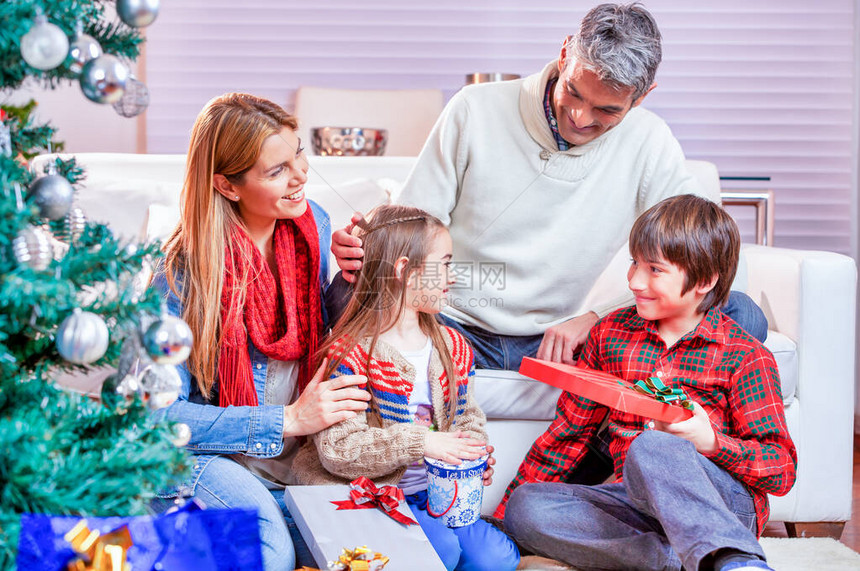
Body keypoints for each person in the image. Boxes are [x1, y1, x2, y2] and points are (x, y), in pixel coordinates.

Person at [331, 2, 767, 373]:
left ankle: (650, 434)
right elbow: (414, 220)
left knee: (739, 313)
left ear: (642, 96)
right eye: (574, 92)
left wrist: (594, 318)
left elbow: (708, 259)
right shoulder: (475, 108)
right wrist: (371, 246)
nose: (579, 117)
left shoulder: (649, 140)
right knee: (347, 290)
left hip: (567, 340)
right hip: (450, 322)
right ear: (563, 54)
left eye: (606, 110)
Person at [499, 194, 796, 571]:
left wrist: (710, 442)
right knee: (528, 508)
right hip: (635, 502)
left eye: (654, 269)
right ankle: (683, 562)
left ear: (704, 280)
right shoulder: (610, 334)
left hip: (721, 505)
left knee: (652, 445)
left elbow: (781, 470)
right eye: (634, 264)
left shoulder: (744, 355)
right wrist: (503, 517)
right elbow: (568, 435)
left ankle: (735, 559)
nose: (635, 281)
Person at [150, 93, 371, 571]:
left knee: (362, 551)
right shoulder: (177, 274)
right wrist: (288, 419)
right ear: (227, 187)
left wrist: (352, 281)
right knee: (271, 552)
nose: (300, 177)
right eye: (276, 171)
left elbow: (315, 328)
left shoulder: (313, 226)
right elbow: (155, 418)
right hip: (206, 457)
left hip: (293, 454)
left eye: (298, 155)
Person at [292, 205, 520, 571]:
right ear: (403, 271)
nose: (452, 276)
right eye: (443, 264)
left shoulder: (452, 346)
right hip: (368, 494)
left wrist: (469, 456)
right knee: (440, 551)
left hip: (432, 494)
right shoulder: (349, 354)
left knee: (496, 558)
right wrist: (423, 442)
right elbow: (339, 450)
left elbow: (469, 417)